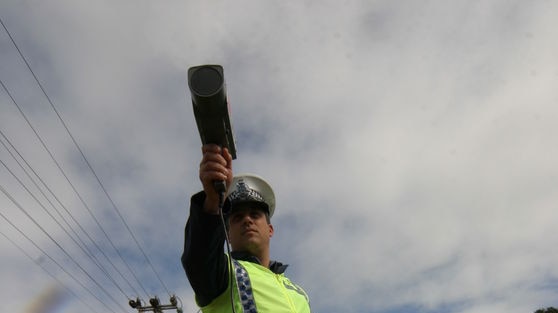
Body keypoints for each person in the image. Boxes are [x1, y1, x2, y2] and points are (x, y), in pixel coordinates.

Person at [181, 144, 311, 313]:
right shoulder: (224, 272)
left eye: (255, 215)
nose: (247, 220)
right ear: (227, 234)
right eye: (237, 218)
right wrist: (213, 202)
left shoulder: (299, 293)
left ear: (270, 229)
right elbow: (198, 259)